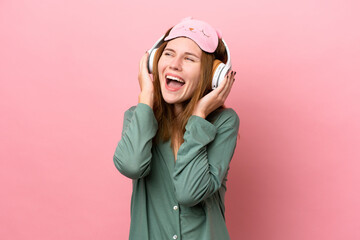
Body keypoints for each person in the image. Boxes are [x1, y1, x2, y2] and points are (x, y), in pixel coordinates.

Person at [113, 17, 240, 240]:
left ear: (212, 75)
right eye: (169, 54)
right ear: (154, 61)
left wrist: (199, 116)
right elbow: (131, 166)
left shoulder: (223, 123)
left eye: (189, 58)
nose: (174, 64)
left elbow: (190, 192)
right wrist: (146, 98)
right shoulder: (137, 116)